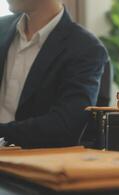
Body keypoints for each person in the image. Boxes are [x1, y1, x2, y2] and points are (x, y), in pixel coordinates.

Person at [0, 0, 108, 148]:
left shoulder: (86, 48)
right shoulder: (2, 29)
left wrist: (3, 132)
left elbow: (66, 126)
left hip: (33, 165)